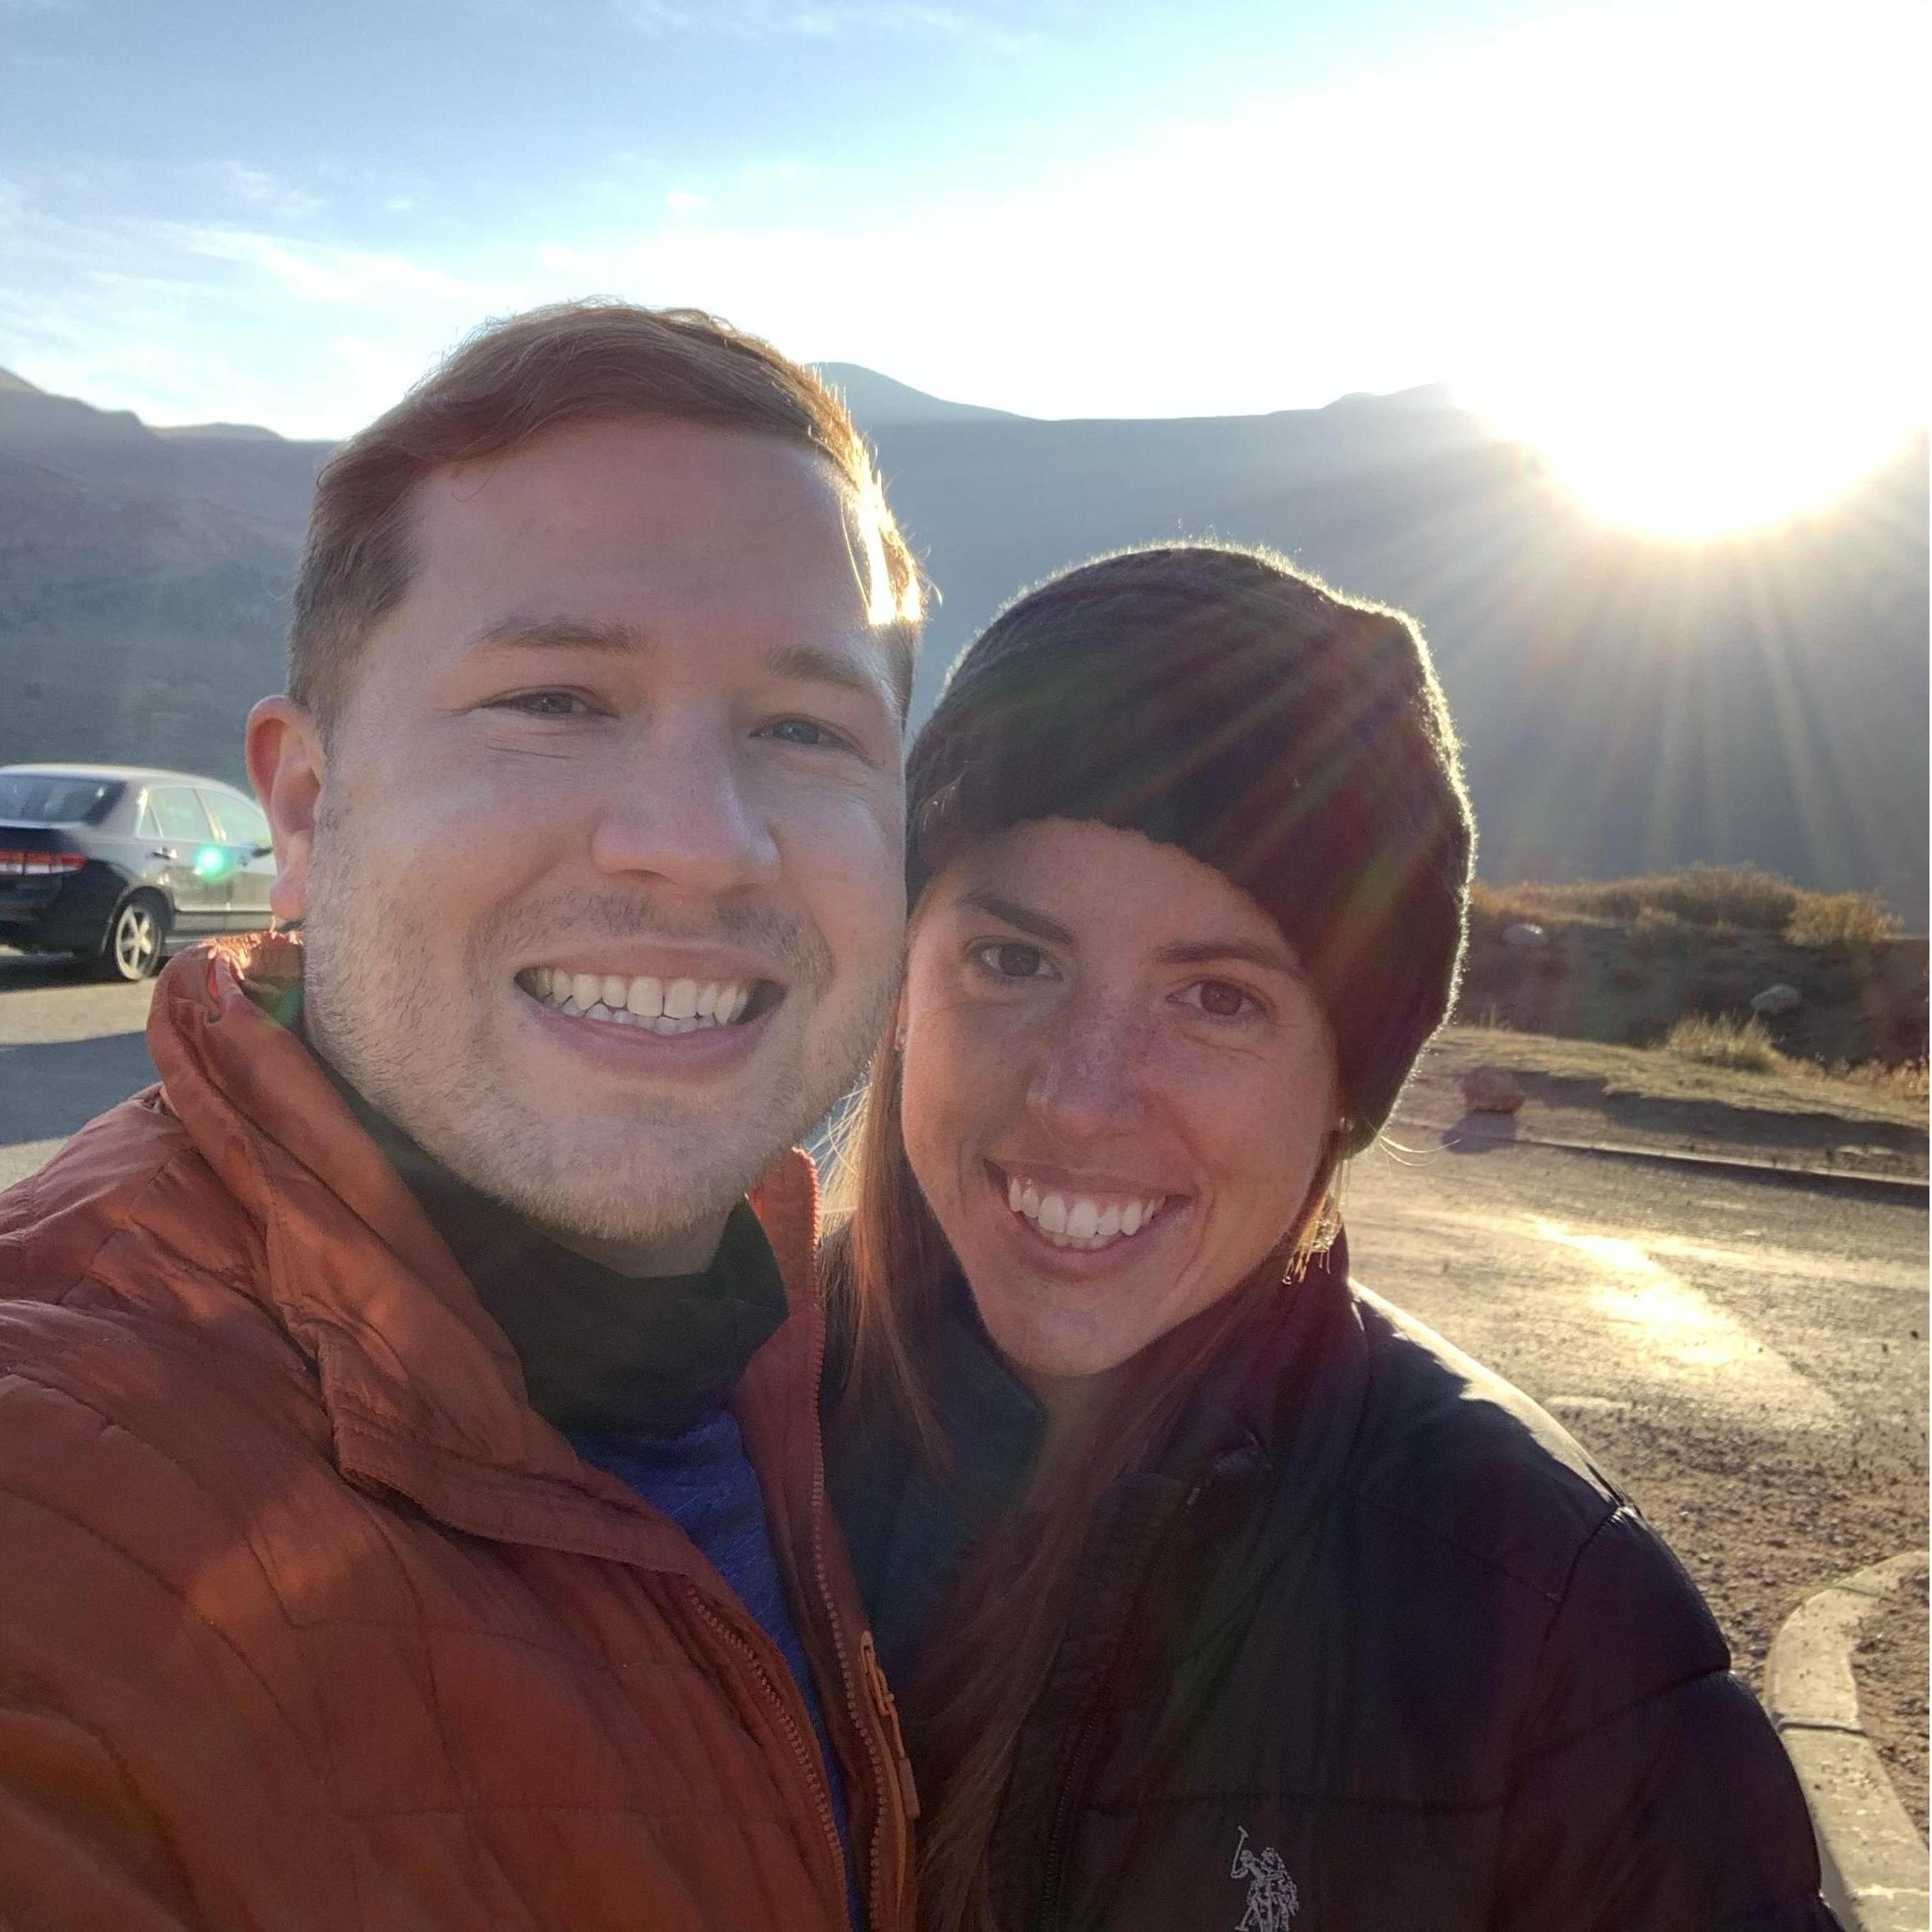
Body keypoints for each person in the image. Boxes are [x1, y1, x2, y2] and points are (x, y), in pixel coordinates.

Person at [0, 301, 925, 1930]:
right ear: (303, 807)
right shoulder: (62, 1502)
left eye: (804, 730)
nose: (699, 845)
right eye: (556, 698)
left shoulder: (811, 1357)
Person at [824, 544, 1839, 1932]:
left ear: (1346, 1086)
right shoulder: (689, 1447)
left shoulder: (1547, 1627)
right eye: (1013, 961)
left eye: (1218, 1000)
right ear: (899, 987)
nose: (1076, 1093)